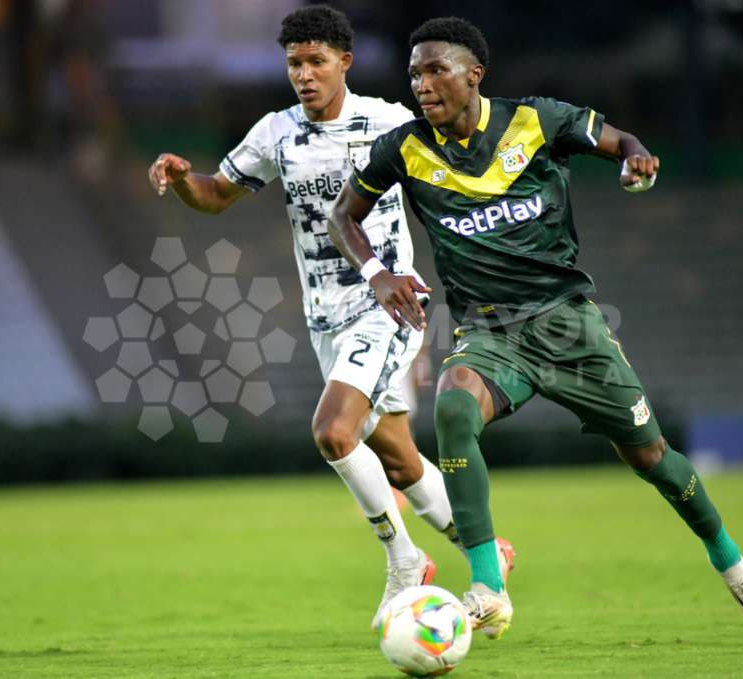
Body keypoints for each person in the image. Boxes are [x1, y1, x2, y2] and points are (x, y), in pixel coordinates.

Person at [327, 16, 743, 639]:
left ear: (474, 74)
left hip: (568, 325)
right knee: (454, 407)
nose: (422, 85)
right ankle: (487, 586)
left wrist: (636, 159)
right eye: (414, 74)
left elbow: (622, 142)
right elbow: (343, 217)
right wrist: (378, 275)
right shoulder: (403, 148)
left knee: (651, 456)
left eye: (435, 71)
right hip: (490, 333)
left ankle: (730, 561)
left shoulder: (536, 120)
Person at [147, 6, 513, 629]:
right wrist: (183, 177)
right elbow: (214, 195)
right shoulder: (276, 132)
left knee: (333, 433)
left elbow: (456, 170)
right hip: (325, 318)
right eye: (294, 63)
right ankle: (486, 552)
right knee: (398, 460)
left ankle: (403, 558)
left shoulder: (389, 122)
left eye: (316, 61)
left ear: (344, 62)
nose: (304, 74)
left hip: (389, 305)